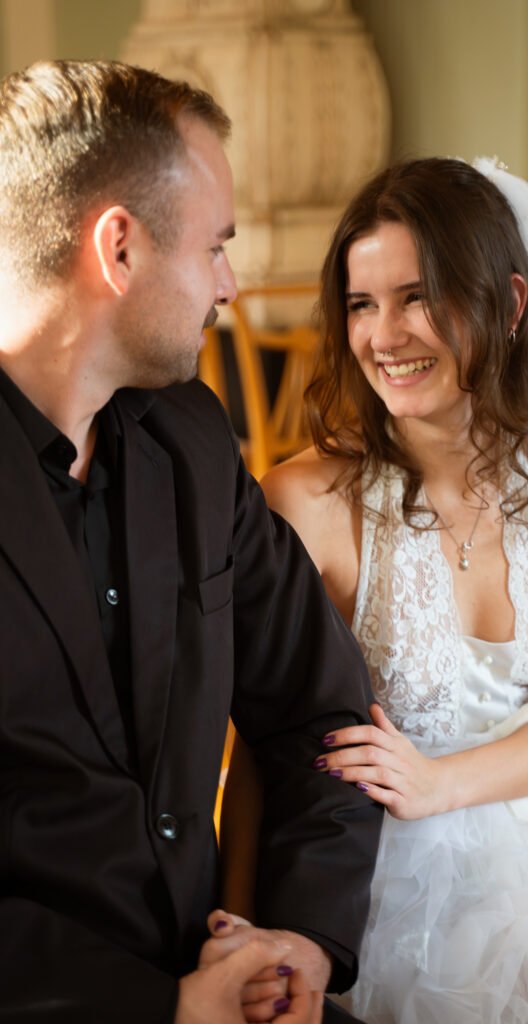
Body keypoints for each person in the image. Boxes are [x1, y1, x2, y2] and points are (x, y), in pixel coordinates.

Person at [0, 59, 383, 1024]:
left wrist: (301, 940)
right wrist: (158, 1009)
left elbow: (320, 711)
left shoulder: (193, 436)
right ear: (118, 248)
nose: (231, 282)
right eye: (216, 245)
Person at [260, 157, 528, 1023]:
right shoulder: (307, 502)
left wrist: (445, 782)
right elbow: (257, 745)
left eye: (418, 296)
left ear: (511, 306)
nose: (384, 335)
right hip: (416, 856)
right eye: (361, 303)